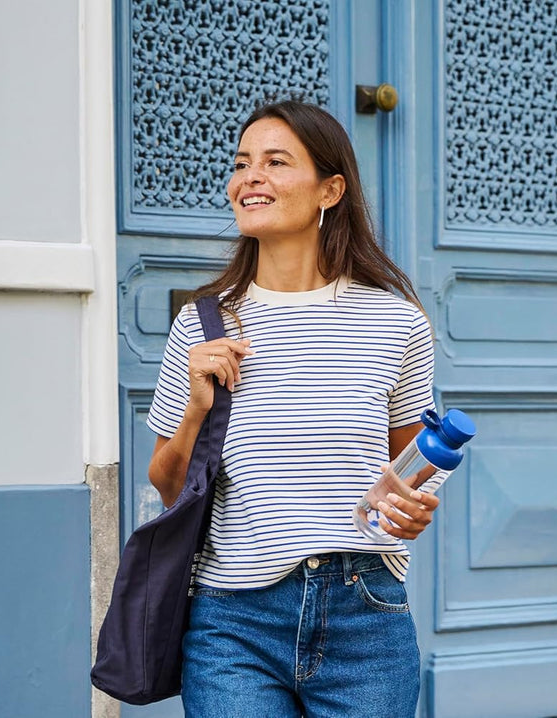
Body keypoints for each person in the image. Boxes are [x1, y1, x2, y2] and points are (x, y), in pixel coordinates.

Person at [145, 99, 439, 717]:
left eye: (276, 162)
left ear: (330, 189)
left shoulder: (395, 322)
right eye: (242, 163)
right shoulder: (202, 324)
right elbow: (168, 486)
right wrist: (196, 408)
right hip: (234, 620)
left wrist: (411, 506)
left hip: (367, 613)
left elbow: (411, 464)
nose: (250, 177)